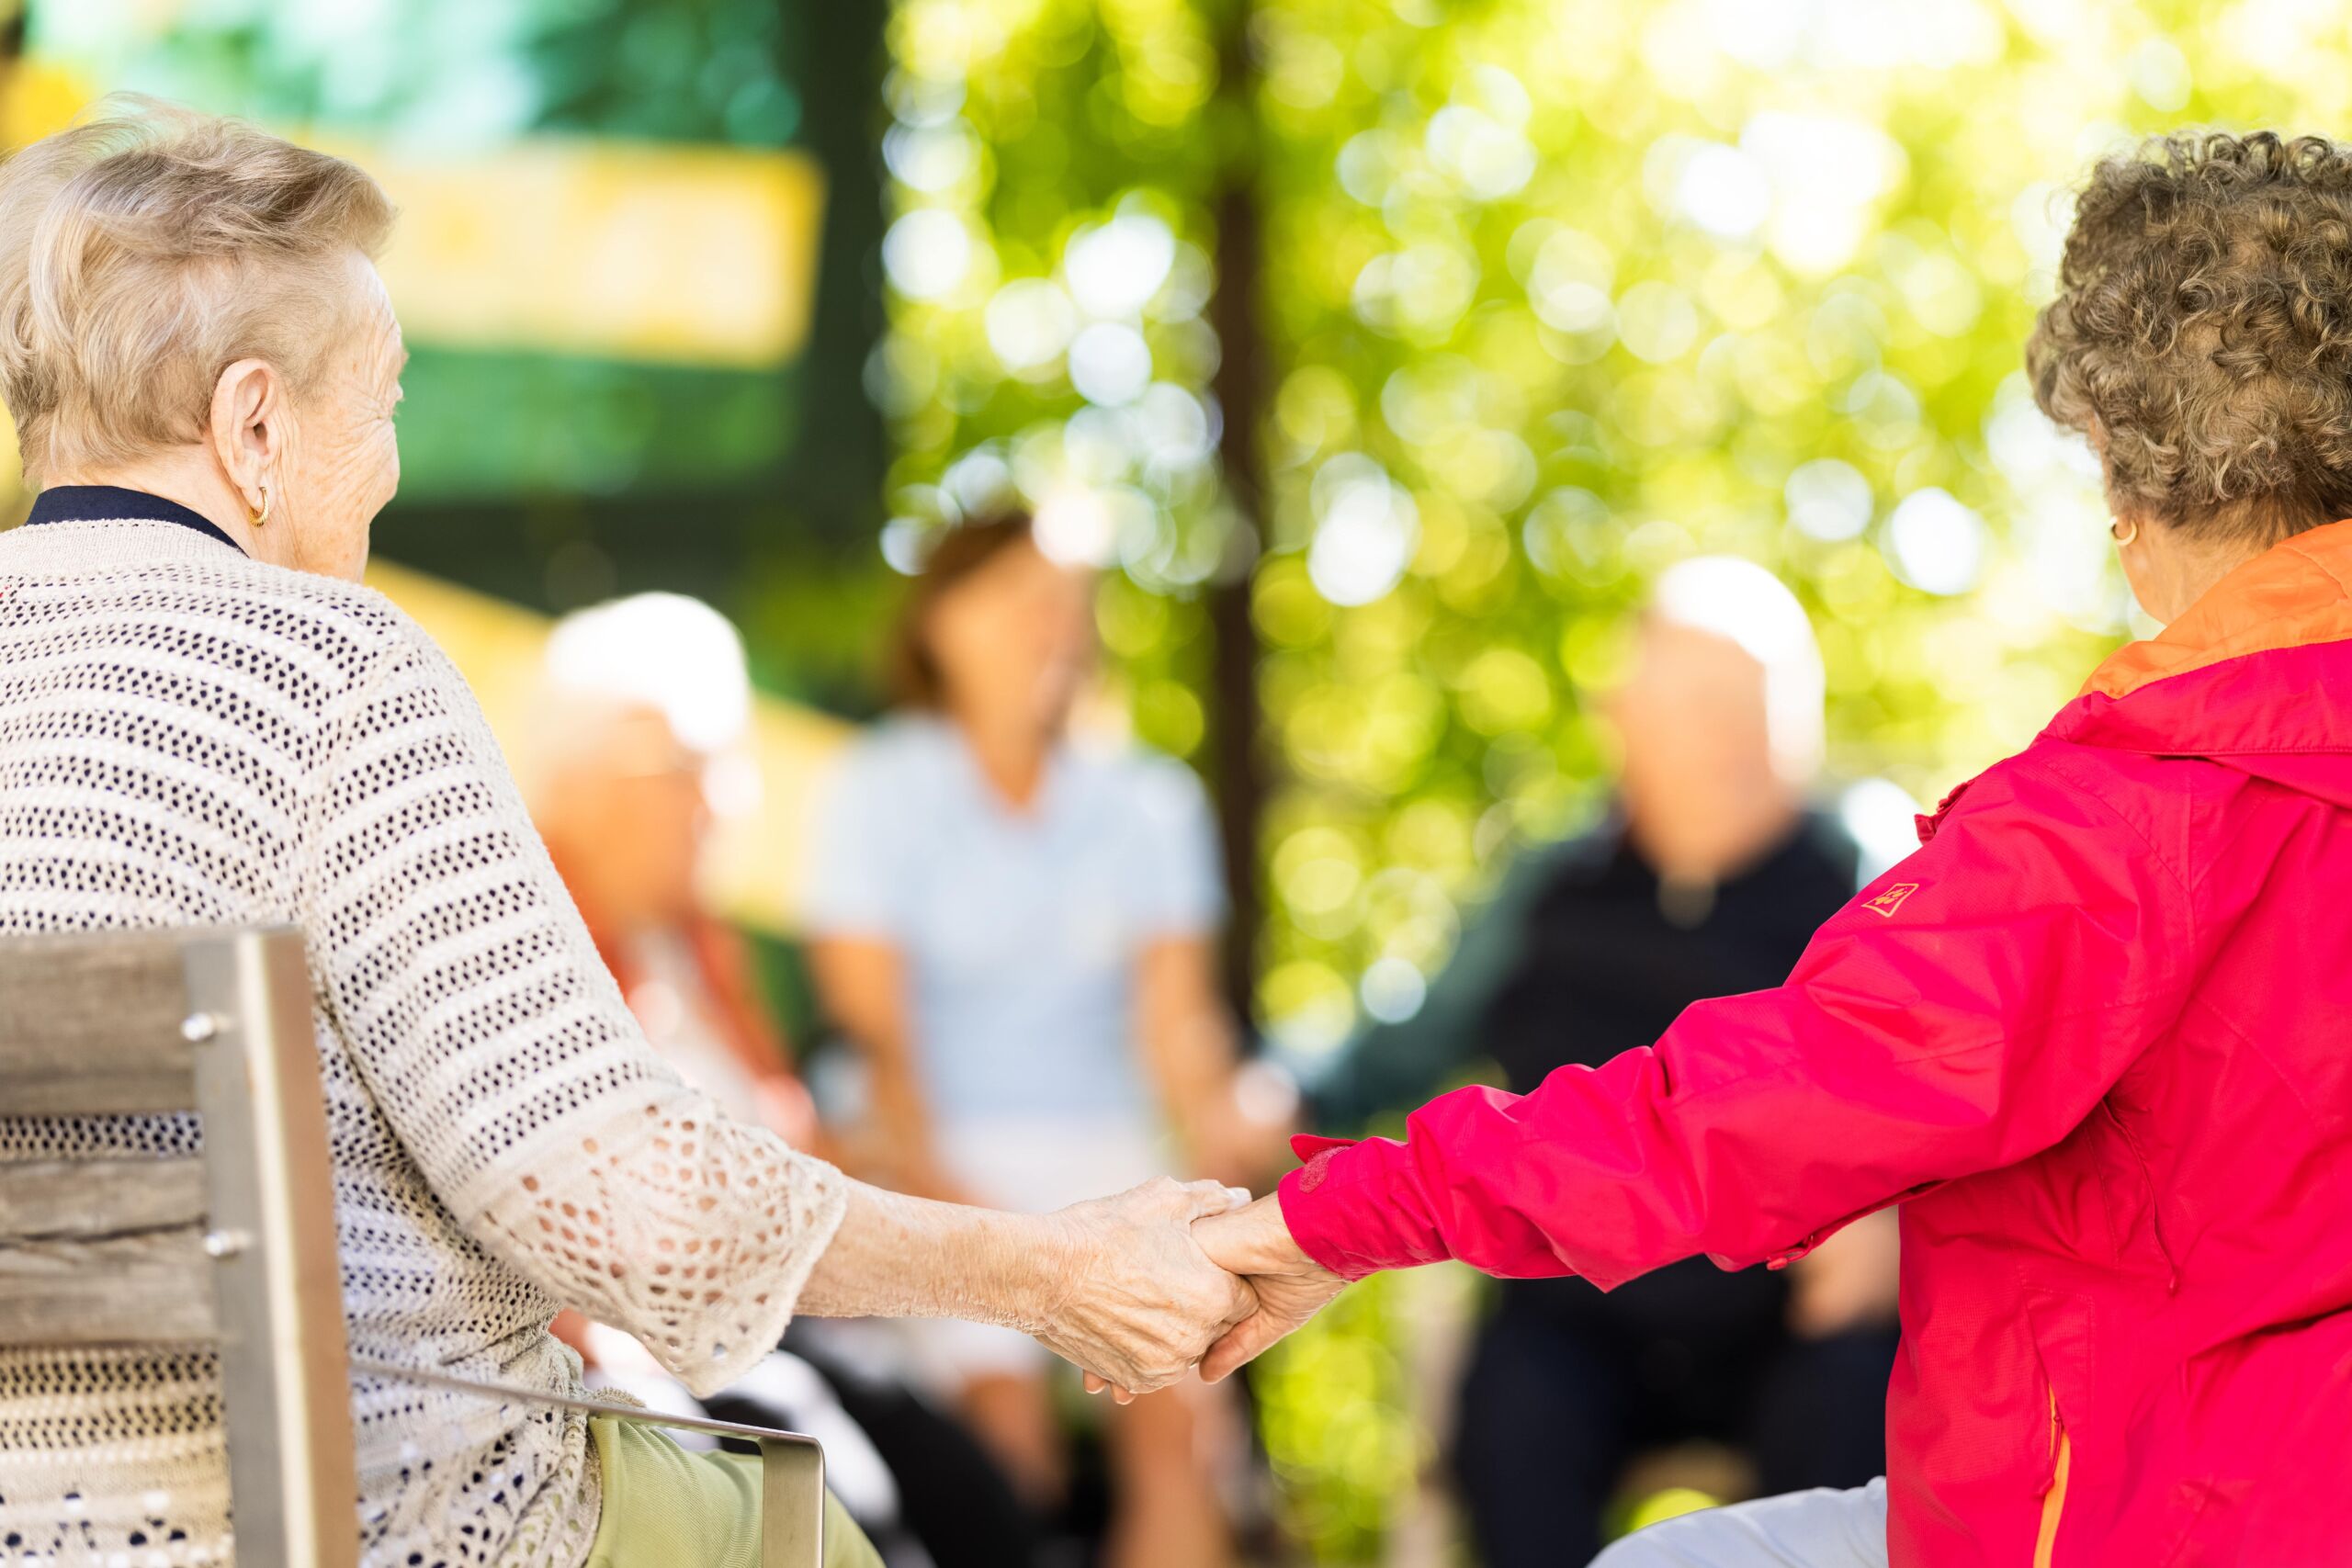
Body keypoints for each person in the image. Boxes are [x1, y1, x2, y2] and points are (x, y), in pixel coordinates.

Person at [0, 101, 1254, 1568]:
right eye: (382, 403)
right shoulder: (336, 674)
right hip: (398, 1515)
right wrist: (1047, 1268)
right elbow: (616, 1190)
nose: (389, 468)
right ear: (255, 423)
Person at [1189, 130, 2352, 1567]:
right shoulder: (1569, 881)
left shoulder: (2118, 829)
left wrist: (1331, 1219)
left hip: (2140, 1514)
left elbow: (1735, 1117)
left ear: (2125, 474)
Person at [1306, 557, 1896, 1561]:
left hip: (1787, 1317)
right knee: (1510, 1419)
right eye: (1693, 705)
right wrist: (1277, 1096)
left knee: (1864, 1411)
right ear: (1622, 718)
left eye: (1751, 708)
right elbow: (1404, 1044)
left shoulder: (1863, 878)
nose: (1728, 740)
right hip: (1576, 1313)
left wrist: (1901, 1214)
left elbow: (1963, 1074)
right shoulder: (1551, 888)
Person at [805, 513, 1283, 1568]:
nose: (1056, 628)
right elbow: (879, 1050)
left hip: (1108, 1152)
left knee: (1181, 1426)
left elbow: (1178, 1031)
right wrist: (984, 1241)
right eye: (1025, 600)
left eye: (1071, 604)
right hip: (940, 1159)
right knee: (1001, 1431)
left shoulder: (1148, 803)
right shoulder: (875, 789)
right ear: (940, 622)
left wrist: (1223, 1164)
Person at [527, 594, 1045, 1567]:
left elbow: (785, 1145)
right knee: (846, 1487)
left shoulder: (695, 947)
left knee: (965, 1486)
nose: (724, 802)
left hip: (760, 1320)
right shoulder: (535, 950)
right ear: (583, 780)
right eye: (690, 766)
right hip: (641, 1346)